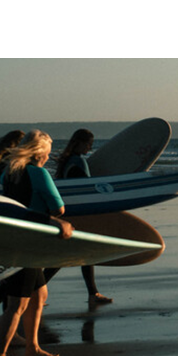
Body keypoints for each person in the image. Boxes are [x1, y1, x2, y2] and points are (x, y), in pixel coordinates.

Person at [0, 130, 72, 356]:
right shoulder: (39, 173)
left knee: (40, 294)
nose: (48, 158)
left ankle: (32, 347)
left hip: (16, 239)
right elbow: (58, 208)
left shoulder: (8, 174)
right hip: (30, 243)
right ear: (39, 153)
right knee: (17, 304)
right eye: (47, 153)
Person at [47, 129, 113, 306]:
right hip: (80, 214)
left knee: (81, 253)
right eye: (88, 143)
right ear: (80, 143)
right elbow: (87, 188)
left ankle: (93, 293)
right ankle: (31, 291)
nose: (90, 147)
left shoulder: (67, 162)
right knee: (71, 255)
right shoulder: (78, 162)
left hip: (70, 212)